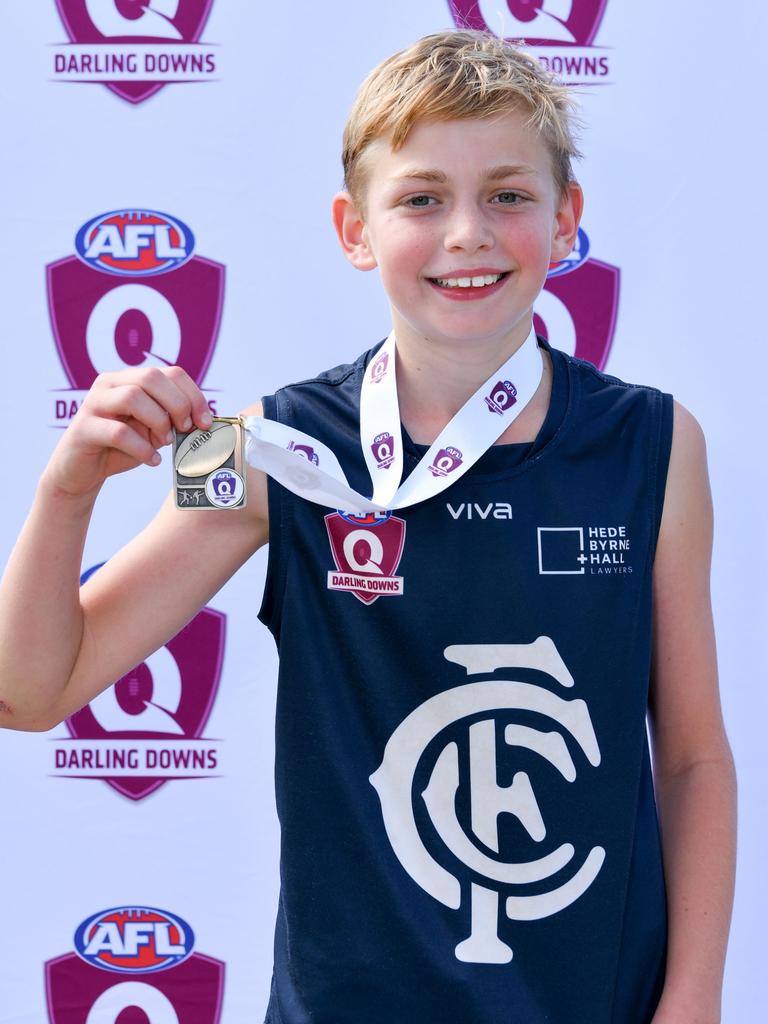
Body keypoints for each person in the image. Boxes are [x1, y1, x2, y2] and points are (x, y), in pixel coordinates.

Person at [0, 30, 735, 1024]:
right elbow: (33, 689)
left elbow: (691, 755)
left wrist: (692, 1001)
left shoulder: (653, 443)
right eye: (422, 198)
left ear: (567, 221)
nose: (467, 232)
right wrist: (66, 489)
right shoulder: (267, 449)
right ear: (354, 228)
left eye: (509, 196)